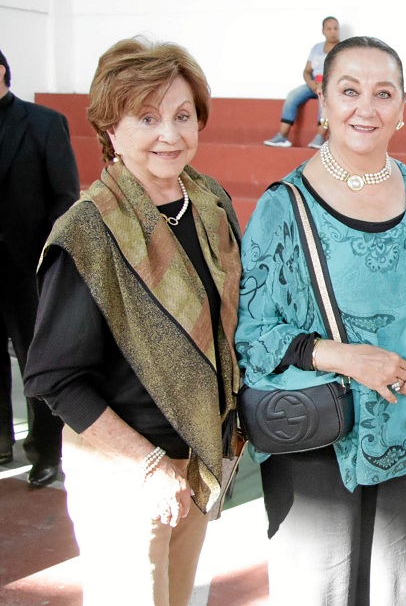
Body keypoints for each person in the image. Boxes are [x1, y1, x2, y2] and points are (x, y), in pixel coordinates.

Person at [236, 35, 406, 606]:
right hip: (315, 432)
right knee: (320, 590)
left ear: (403, 106)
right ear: (323, 98)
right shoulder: (284, 206)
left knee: (392, 589)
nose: (366, 108)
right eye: (349, 90)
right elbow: (253, 332)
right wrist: (345, 358)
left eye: (383, 93)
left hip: (403, 431)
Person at [22, 37, 242, 606]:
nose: (169, 134)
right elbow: (54, 378)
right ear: (110, 129)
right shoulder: (88, 232)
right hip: (123, 472)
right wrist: (146, 466)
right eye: (147, 117)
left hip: (194, 459)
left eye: (182, 115)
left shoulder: (211, 204)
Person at [0, 48, 79, 484]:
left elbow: (65, 197)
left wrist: (46, 260)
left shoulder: (44, 123)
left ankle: (47, 453)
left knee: (37, 362)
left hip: (27, 267)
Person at [263, 15, 340, 149]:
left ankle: (320, 137)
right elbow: (306, 71)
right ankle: (282, 136)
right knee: (293, 95)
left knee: (324, 102)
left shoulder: (343, 48)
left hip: (330, 85)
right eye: (329, 29)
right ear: (323, 31)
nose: (333, 31)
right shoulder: (316, 48)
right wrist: (311, 83)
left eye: (335, 28)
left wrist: (325, 83)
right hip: (313, 84)